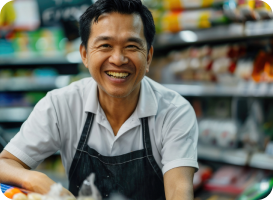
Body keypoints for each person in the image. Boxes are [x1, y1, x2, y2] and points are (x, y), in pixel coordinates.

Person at [0, 0, 199, 199]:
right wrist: (38, 181)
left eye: (131, 46)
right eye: (105, 45)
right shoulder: (61, 105)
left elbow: (179, 192)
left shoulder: (174, 111)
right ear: (85, 54)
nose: (118, 59)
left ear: (148, 57)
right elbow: (5, 163)